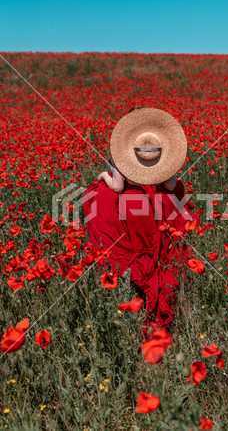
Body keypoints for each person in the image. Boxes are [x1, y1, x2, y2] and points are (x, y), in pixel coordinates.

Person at [83, 106, 199, 333]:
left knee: (98, 194)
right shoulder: (160, 157)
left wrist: (104, 176)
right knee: (170, 205)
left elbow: (117, 187)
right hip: (156, 209)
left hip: (132, 209)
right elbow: (171, 186)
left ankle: (132, 277)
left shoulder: (122, 157)